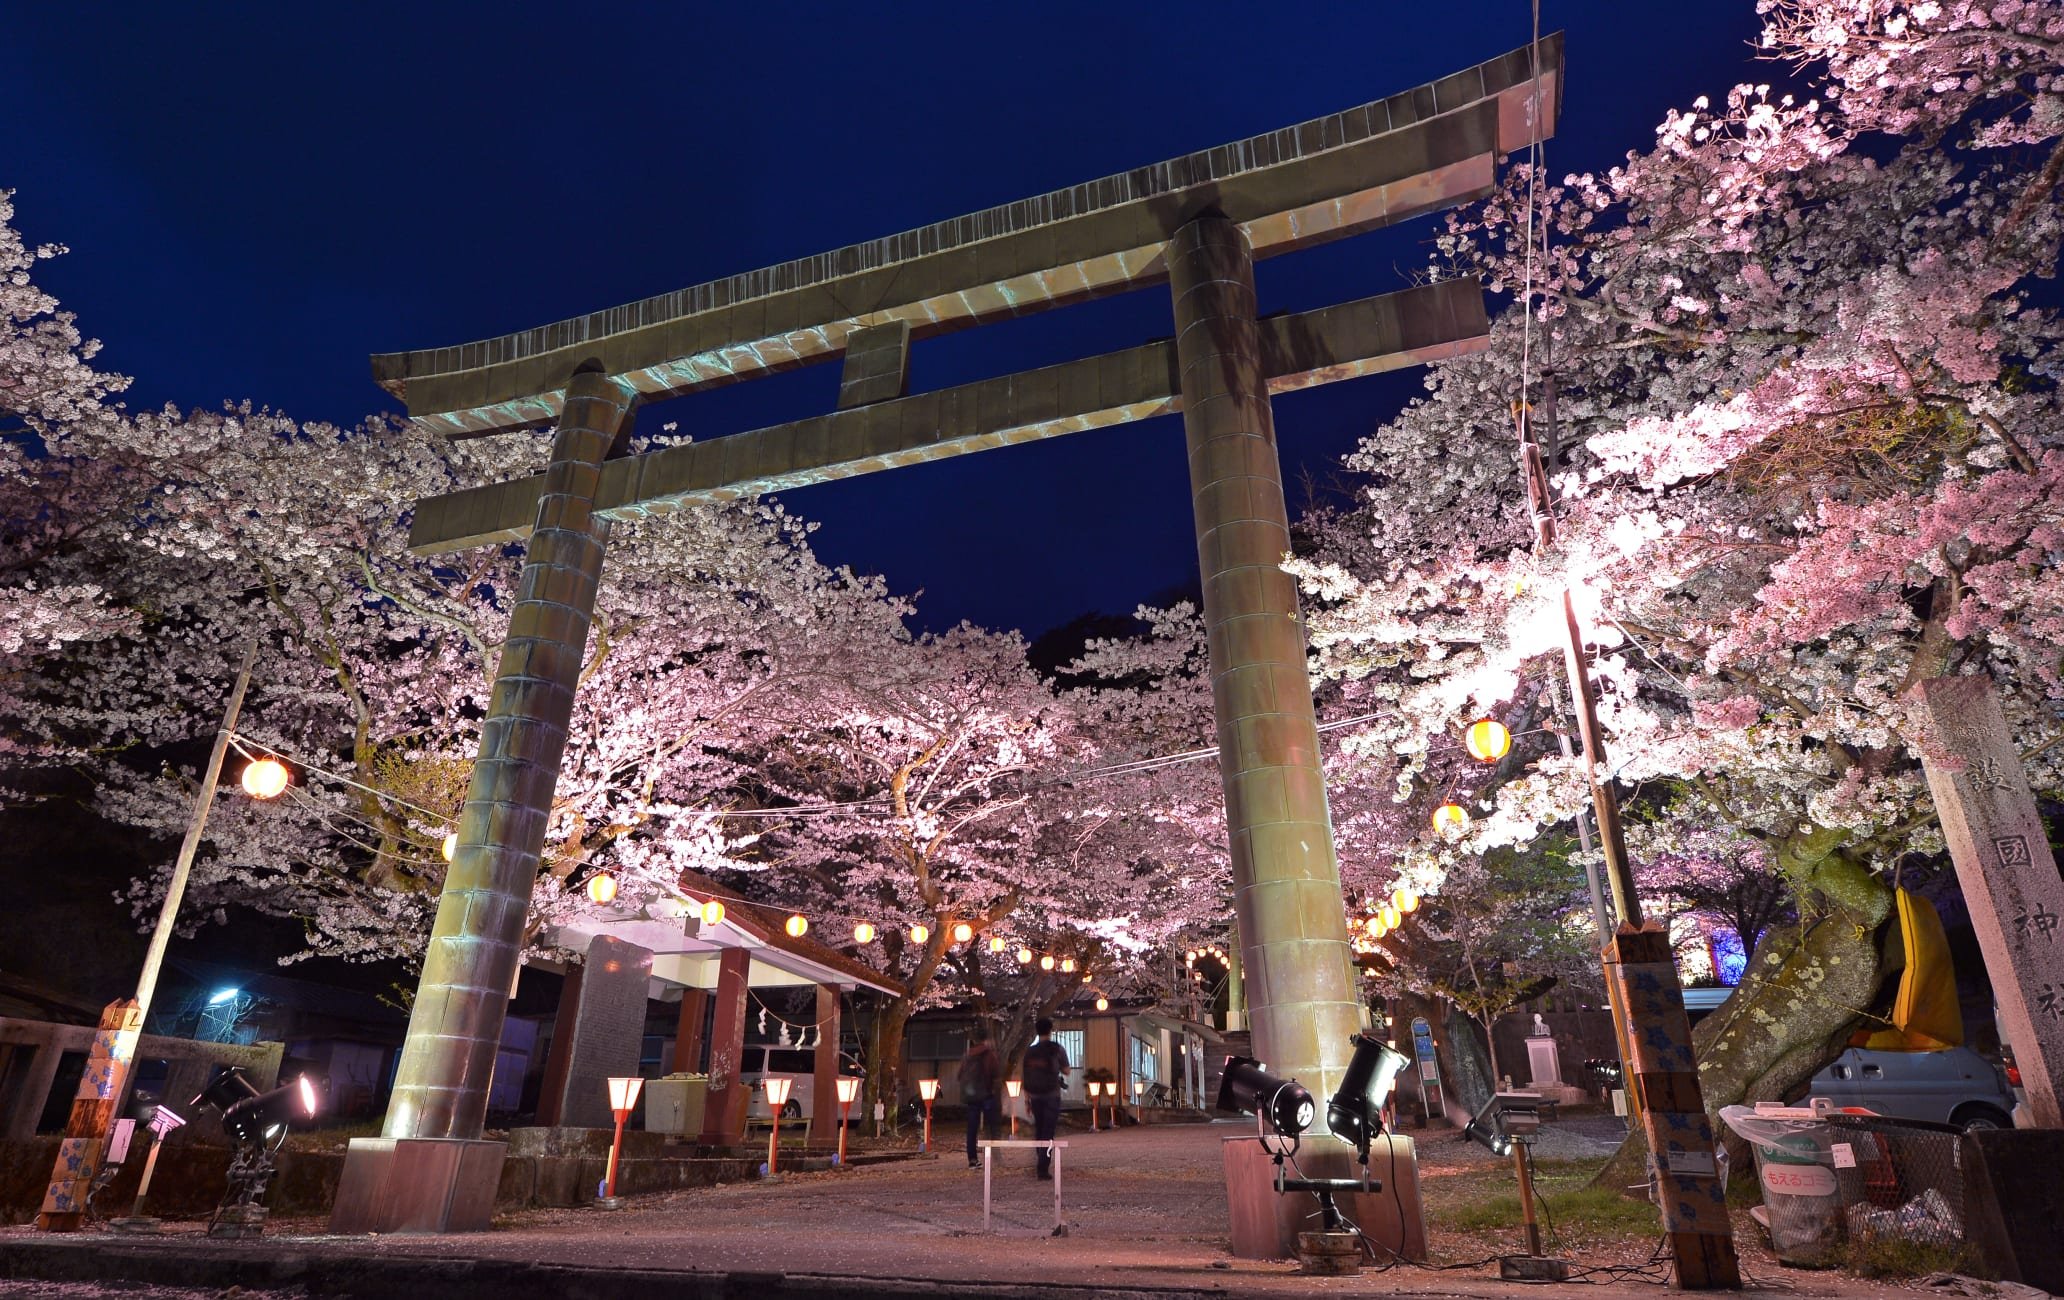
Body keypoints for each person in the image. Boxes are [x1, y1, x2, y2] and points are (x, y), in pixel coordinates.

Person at [1021, 1017, 1070, 1180]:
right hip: (1052, 1095)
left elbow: (1025, 1076)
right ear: (1050, 1030)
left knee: (1039, 1129)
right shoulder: (1056, 1048)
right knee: (1048, 1131)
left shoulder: (1030, 1051)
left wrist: (1027, 1100)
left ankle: (1041, 1161)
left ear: (1037, 1031)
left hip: (1034, 1095)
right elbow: (1067, 1071)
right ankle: (1042, 1168)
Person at [960, 1022, 1002, 1168]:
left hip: (972, 1096)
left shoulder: (967, 1055)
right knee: (992, 1124)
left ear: (974, 1039)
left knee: (972, 1128)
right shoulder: (989, 1054)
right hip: (986, 1095)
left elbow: (960, 1075)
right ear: (986, 1039)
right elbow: (996, 1074)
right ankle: (994, 1154)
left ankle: (972, 1159)